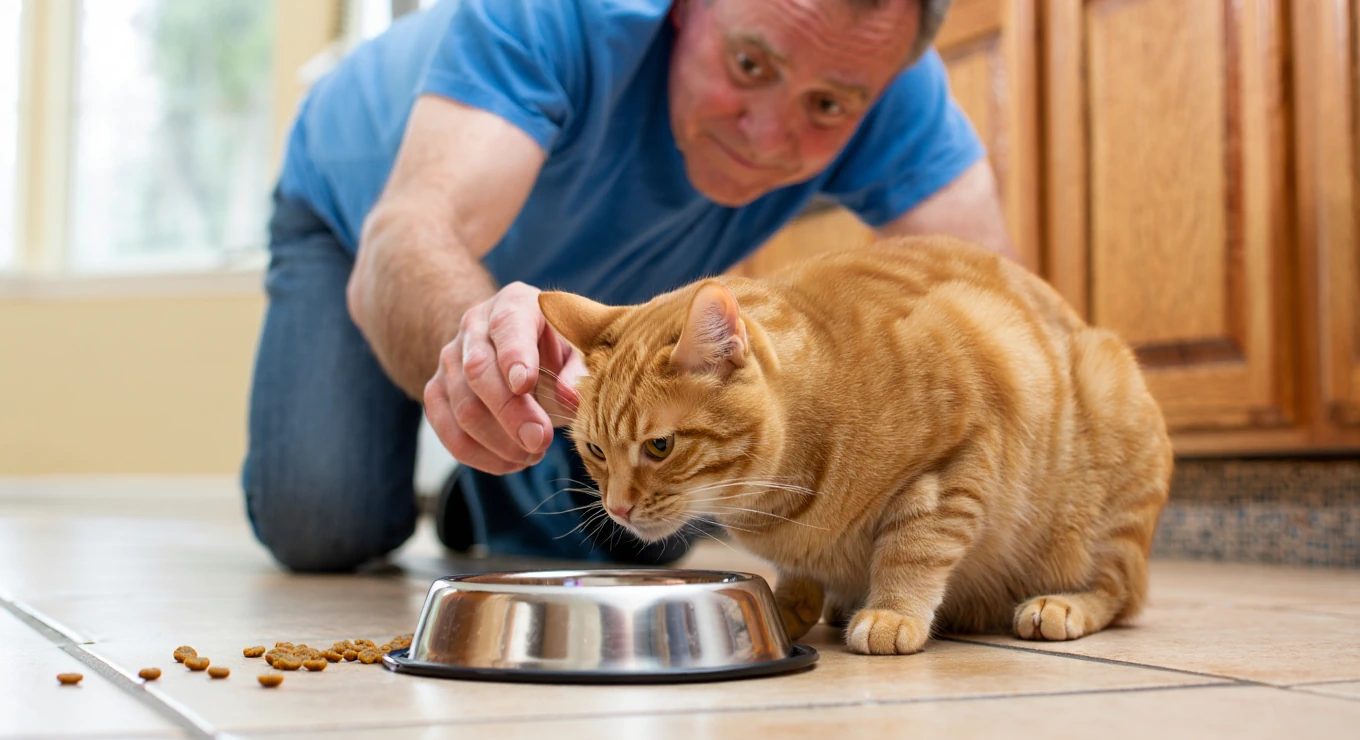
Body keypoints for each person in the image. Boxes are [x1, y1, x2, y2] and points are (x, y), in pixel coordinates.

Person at [242, 0, 1013, 573]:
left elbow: (1001, 318)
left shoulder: (883, 76)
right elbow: (408, 234)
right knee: (324, 526)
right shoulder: (553, 13)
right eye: (750, 66)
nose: (768, 138)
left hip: (601, 302)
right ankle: (506, 446)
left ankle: (495, 491)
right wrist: (485, 366)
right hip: (369, 224)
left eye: (827, 106)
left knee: (652, 528)